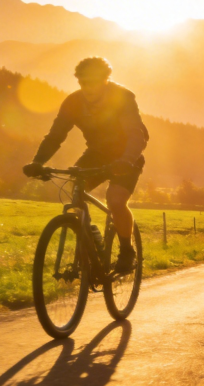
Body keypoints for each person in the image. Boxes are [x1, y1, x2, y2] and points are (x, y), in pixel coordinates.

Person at [23, 57, 149, 273]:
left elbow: (136, 134)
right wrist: (38, 162)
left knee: (116, 201)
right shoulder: (73, 102)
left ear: (105, 80)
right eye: (82, 82)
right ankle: (92, 241)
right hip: (97, 153)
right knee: (76, 190)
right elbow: (55, 135)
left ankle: (127, 252)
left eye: (93, 82)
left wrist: (127, 160)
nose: (87, 87)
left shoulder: (122, 97)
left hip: (127, 154)